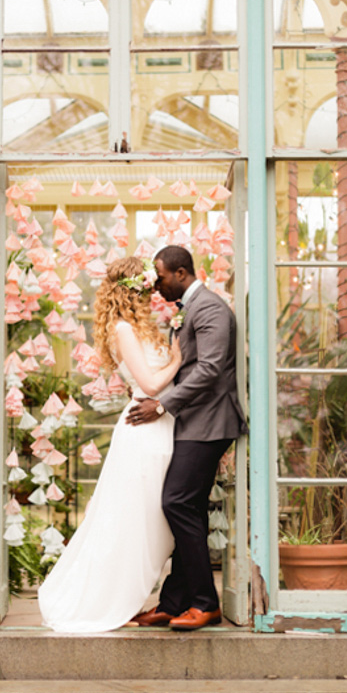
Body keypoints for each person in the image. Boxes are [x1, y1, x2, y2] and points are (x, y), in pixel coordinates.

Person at [38, 256, 182, 633]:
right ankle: (114, 599)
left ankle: (133, 596)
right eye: (146, 290)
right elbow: (150, 386)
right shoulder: (122, 329)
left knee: (153, 522)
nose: (152, 296)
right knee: (133, 521)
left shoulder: (142, 328)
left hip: (162, 427)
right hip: (144, 429)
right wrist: (179, 360)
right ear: (131, 292)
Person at [127, 245, 247, 631]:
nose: (155, 285)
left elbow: (211, 369)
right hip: (193, 423)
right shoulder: (189, 310)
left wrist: (161, 405)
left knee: (176, 501)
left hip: (209, 424)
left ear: (181, 273)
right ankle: (174, 601)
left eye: (159, 277)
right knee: (188, 509)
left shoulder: (210, 308)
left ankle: (204, 602)